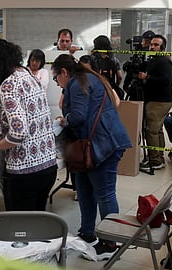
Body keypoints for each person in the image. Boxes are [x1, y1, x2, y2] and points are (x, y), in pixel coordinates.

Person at [51, 54, 131, 261]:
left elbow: (78, 116)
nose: (57, 83)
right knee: (86, 191)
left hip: (103, 145)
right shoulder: (90, 78)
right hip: (94, 144)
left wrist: (63, 121)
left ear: (64, 72)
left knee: (105, 194)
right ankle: (88, 233)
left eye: (56, 78)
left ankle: (111, 243)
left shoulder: (78, 83)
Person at [0, 37, 58, 212]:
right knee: (35, 224)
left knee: (19, 231)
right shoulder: (29, 76)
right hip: (48, 166)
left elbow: (18, 133)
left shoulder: (8, 85)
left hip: (25, 172)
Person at [138, 34, 172, 172]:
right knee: (157, 131)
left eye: (156, 45)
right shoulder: (155, 60)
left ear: (162, 47)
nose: (152, 47)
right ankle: (158, 157)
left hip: (159, 101)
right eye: (151, 44)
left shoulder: (163, 61)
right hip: (156, 99)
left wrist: (148, 77)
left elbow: (166, 81)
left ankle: (156, 160)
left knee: (151, 131)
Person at [91, 35, 124, 100]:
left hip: (95, 90)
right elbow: (120, 77)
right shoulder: (114, 60)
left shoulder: (92, 59)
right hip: (110, 90)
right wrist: (116, 86)